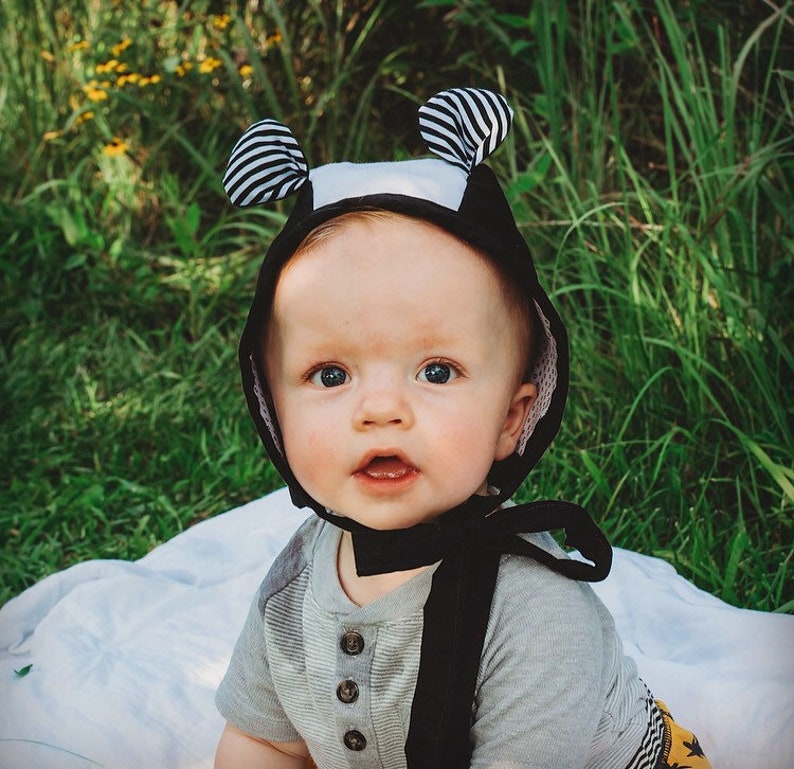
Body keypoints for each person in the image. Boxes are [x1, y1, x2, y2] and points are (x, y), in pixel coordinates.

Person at [213, 88, 711, 769]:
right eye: (331, 375)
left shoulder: (536, 612)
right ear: (272, 405)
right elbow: (262, 741)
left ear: (512, 418)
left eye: (437, 371)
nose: (380, 409)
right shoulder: (295, 583)